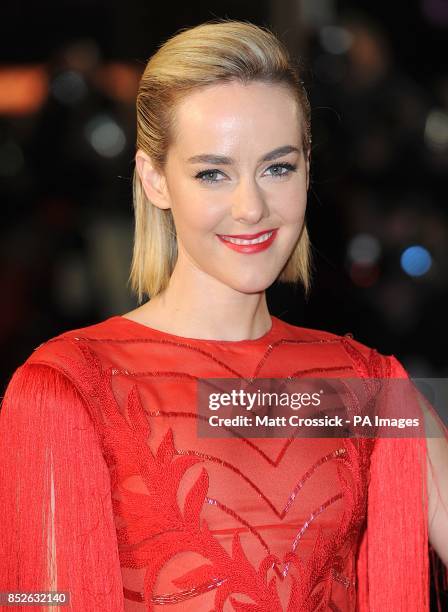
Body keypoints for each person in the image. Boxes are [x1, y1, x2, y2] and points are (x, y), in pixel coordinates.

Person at [0, 19, 447, 612]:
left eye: (277, 167)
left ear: (308, 167)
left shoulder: (364, 391)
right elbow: (37, 598)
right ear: (155, 178)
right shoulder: (71, 386)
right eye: (213, 172)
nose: (251, 207)